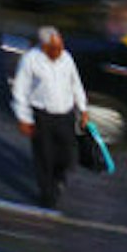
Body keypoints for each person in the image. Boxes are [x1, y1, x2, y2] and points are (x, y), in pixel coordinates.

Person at [10, 24, 89, 211]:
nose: (59, 51)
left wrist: (83, 108)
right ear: (43, 46)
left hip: (65, 115)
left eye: (61, 46)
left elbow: (75, 83)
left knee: (67, 155)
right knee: (44, 157)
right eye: (55, 48)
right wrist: (24, 118)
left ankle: (58, 177)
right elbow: (20, 90)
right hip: (42, 116)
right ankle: (47, 195)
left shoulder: (66, 58)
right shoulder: (30, 60)